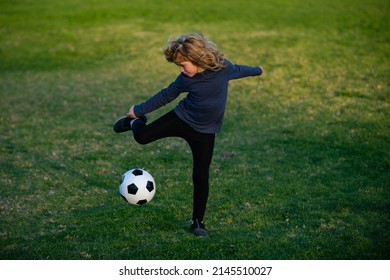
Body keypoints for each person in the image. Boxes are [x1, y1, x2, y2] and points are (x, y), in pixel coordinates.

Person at [114, 33, 263, 237]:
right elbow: (167, 94)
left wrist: (258, 70)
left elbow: (239, 69)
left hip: (205, 132)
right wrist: (138, 111)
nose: (181, 70)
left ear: (198, 59)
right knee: (142, 137)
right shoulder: (185, 79)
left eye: (183, 65)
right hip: (181, 119)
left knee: (201, 176)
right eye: (179, 66)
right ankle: (134, 123)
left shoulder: (223, 69)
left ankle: (198, 221)